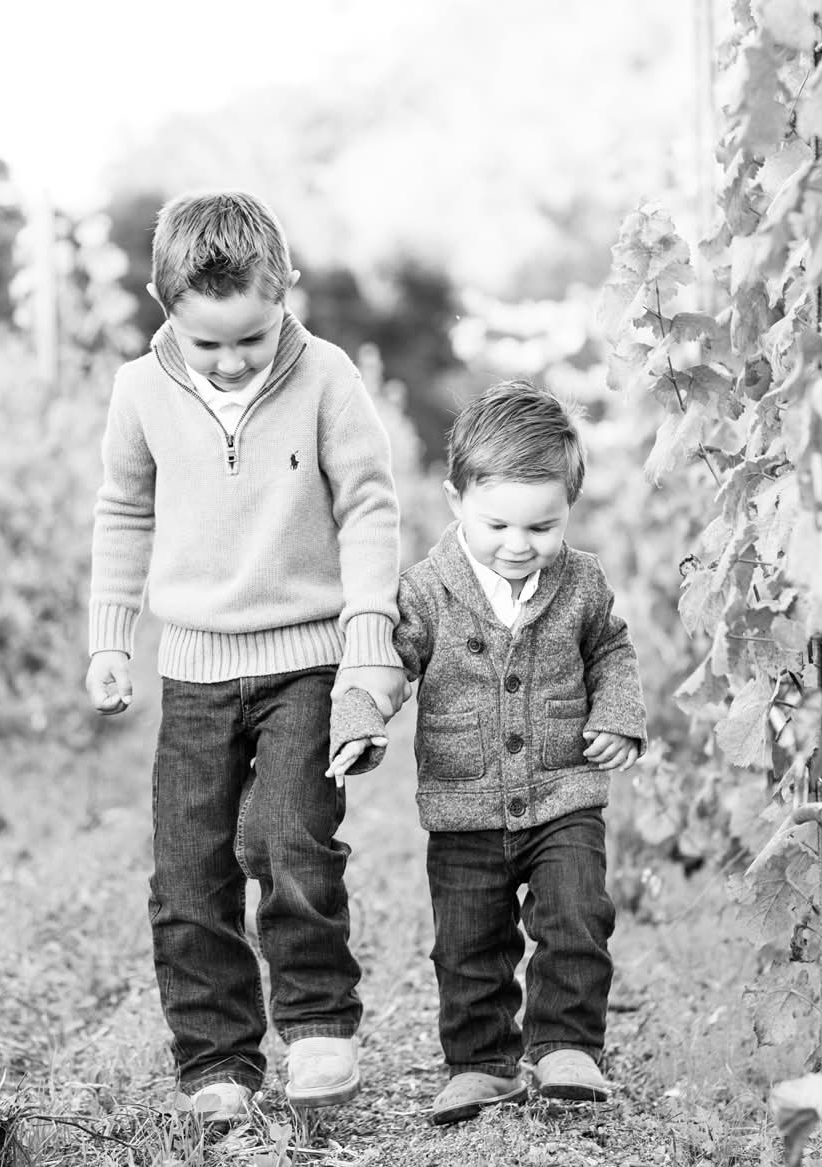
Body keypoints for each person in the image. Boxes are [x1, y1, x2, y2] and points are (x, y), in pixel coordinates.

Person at [84, 190, 408, 1123]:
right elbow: (123, 512)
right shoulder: (140, 391)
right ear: (163, 305)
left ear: (285, 295)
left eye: (251, 341)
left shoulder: (330, 378)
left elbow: (369, 507)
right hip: (193, 667)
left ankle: (314, 1027)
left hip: (306, 660)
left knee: (292, 837)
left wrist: (367, 639)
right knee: (189, 869)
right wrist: (112, 639)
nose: (230, 362)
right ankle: (217, 1057)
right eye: (208, 344)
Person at [329, 380, 646, 1125]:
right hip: (464, 802)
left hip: (564, 792)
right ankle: (480, 1063)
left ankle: (567, 1045)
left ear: (569, 507)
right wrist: (359, 716)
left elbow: (613, 650)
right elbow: (386, 662)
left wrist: (619, 712)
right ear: (456, 501)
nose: (519, 543)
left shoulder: (582, 582)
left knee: (577, 915)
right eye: (498, 522)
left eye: (543, 525)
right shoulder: (429, 591)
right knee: (469, 944)